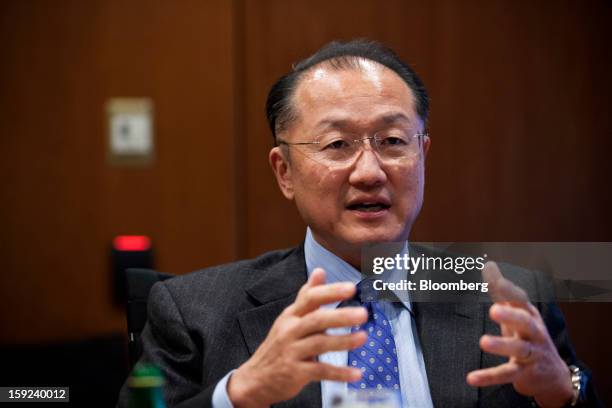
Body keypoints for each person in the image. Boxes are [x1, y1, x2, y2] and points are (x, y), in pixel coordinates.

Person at [118, 40, 598, 407]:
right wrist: (238, 394)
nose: (370, 172)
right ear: (284, 172)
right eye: (337, 145)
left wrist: (563, 393)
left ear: (423, 155)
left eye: (392, 141)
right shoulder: (194, 313)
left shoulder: (509, 295)